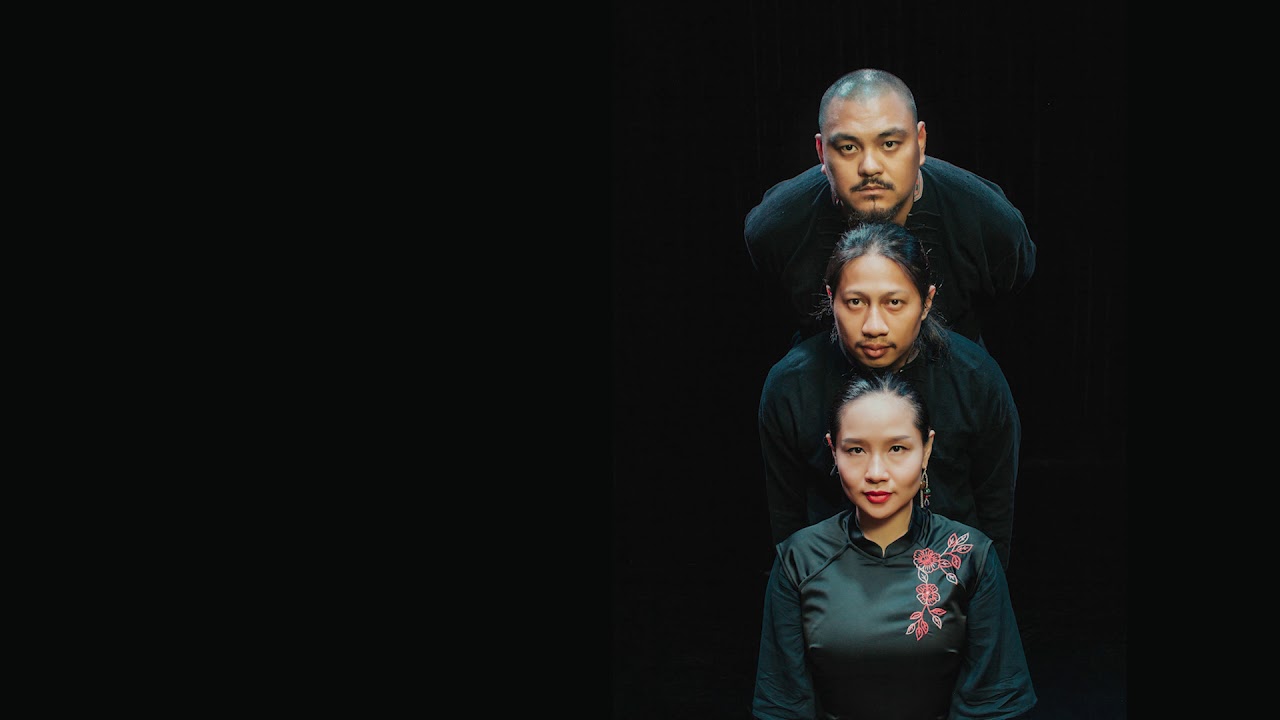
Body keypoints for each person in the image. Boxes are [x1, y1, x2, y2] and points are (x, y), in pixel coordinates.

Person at [752, 371, 1037, 719]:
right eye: (856, 450)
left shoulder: (970, 556)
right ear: (833, 451)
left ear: (926, 449)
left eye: (897, 448)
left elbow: (993, 702)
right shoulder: (798, 559)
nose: (876, 472)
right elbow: (783, 706)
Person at [759, 221, 1021, 568]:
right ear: (831, 299)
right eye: (855, 302)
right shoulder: (791, 386)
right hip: (832, 579)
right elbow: (787, 523)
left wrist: (982, 590)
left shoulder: (976, 379)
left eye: (894, 302)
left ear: (926, 301)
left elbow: (996, 514)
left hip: (949, 578)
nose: (873, 326)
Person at [744, 67, 1035, 348]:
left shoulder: (988, 221)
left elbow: (1009, 290)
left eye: (890, 144)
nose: (870, 167)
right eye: (848, 147)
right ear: (821, 153)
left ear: (920, 143)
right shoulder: (777, 226)